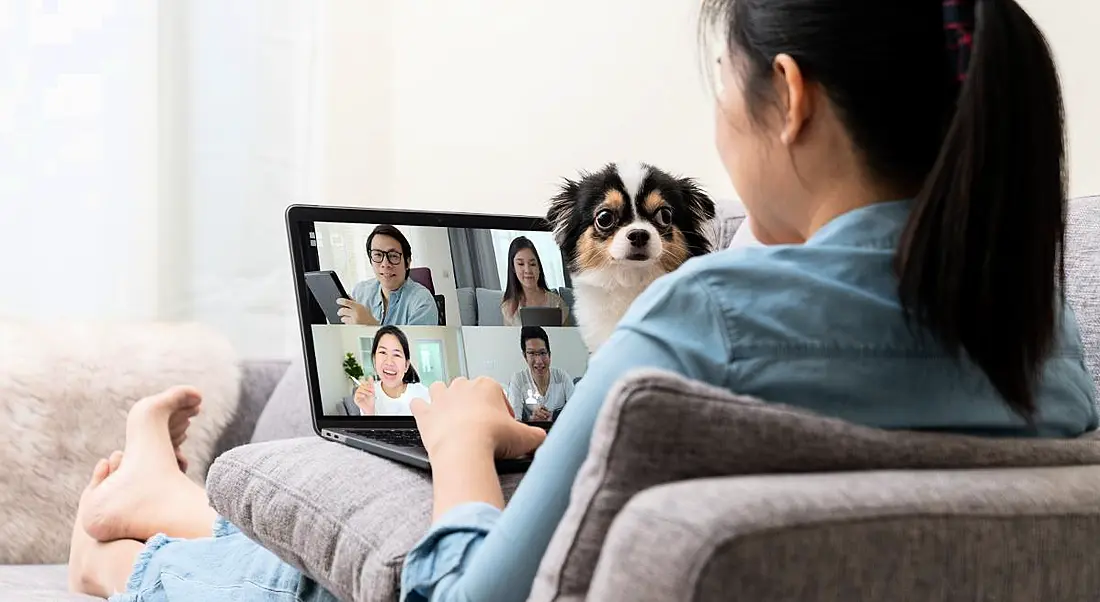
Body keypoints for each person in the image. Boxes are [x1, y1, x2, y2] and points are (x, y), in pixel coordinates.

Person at [66, 1, 1098, 601]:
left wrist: (466, 438)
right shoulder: (1046, 347)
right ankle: (153, 510)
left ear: (788, 97)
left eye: (721, 86)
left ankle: (126, 539)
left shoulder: (703, 315)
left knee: (315, 566)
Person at [337, 225, 439, 327]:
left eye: (393, 256)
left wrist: (371, 326)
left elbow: (414, 343)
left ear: (407, 262)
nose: (385, 264)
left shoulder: (423, 302)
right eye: (378, 255)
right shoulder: (360, 292)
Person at [343, 325, 431, 416]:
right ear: (374, 359)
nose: (389, 362)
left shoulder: (423, 394)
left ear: (406, 365)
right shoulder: (368, 395)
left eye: (396, 355)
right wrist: (368, 412)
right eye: (383, 352)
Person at [505, 326, 575, 421]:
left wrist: (554, 417)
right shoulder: (518, 380)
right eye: (532, 353)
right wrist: (532, 420)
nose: (539, 361)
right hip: (530, 433)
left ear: (549, 354)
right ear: (525, 356)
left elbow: (577, 414)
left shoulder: (562, 377)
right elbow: (513, 422)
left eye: (542, 353)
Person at [500, 236, 568, 327]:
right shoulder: (508, 308)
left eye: (532, 264)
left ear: (539, 268)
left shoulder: (557, 303)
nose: (528, 270)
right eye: (521, 264)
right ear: (513, 268)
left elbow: (567, 337)